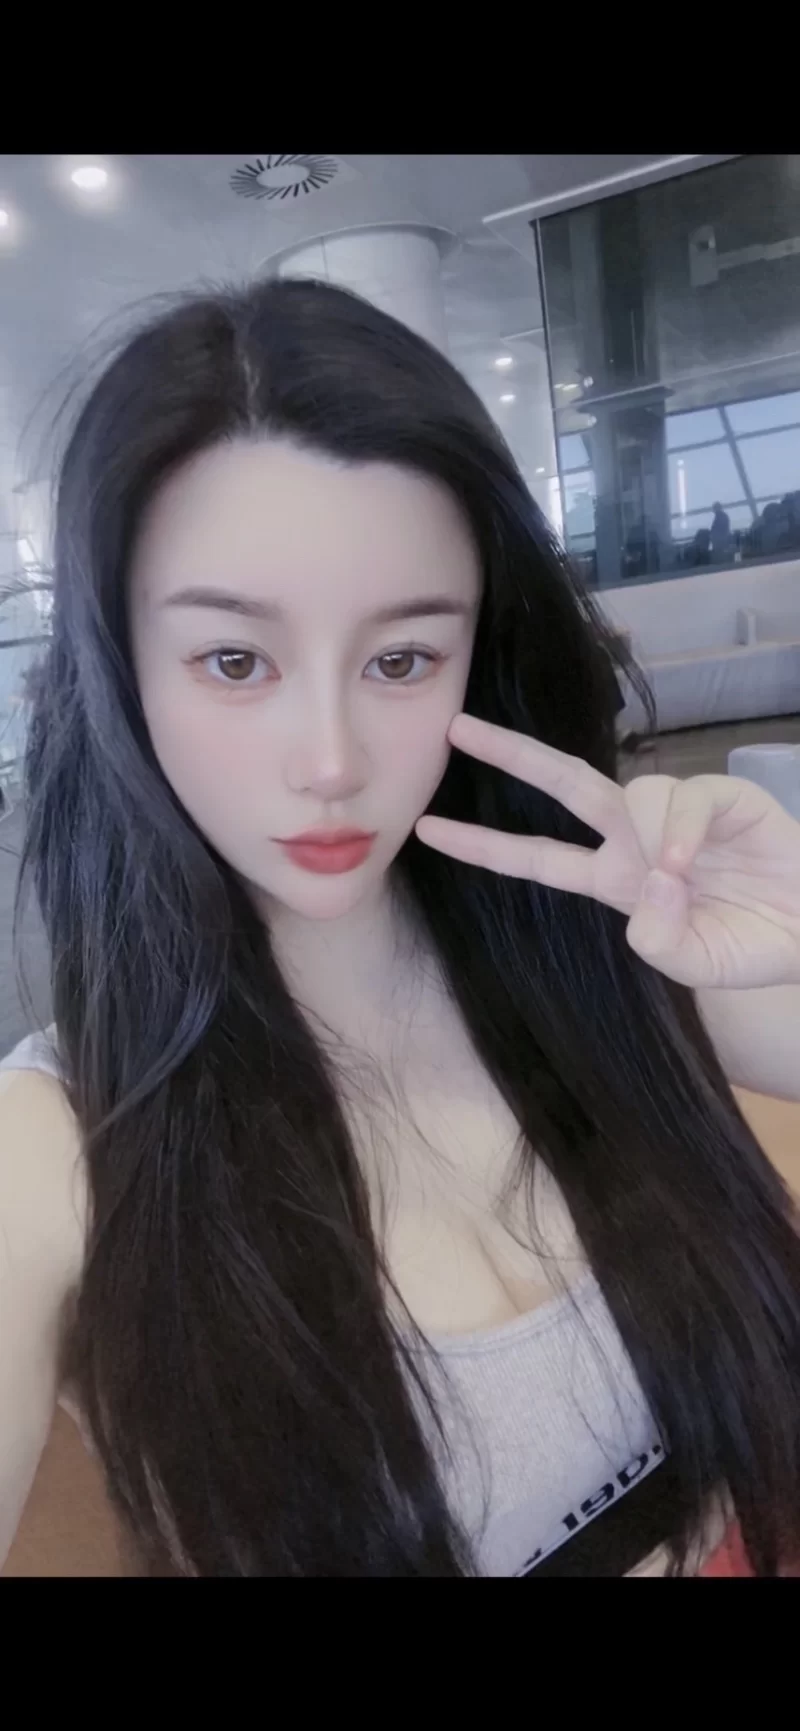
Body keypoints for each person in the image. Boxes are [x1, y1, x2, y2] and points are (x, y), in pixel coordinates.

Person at [1, 278, 799, 1579]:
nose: (331, 761)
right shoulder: (54, 1146)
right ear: (117, 670)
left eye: (401, 659)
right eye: (235, 661)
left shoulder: (612, 945)